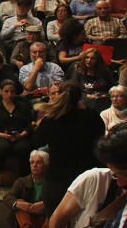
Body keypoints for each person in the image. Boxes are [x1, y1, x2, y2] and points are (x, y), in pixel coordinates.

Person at [35, 81, 107, 216]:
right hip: (85, 178)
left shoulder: (50, 118)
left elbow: (37, 141)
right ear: (80, 97)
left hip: (57, 178)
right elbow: (100, 143)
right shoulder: (92, 117)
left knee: (55, 225)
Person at [3, 149, 49, 228]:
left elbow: (59, 200)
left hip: (45, 221)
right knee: (19, 203)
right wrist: (21, 204)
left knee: (54, 208)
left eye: (38, 163)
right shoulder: (22, 182)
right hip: (28, 223)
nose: (34, 165)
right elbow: (7, 197)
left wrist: (44, 204)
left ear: (45, 165)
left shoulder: (50, 183)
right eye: (32, 162)